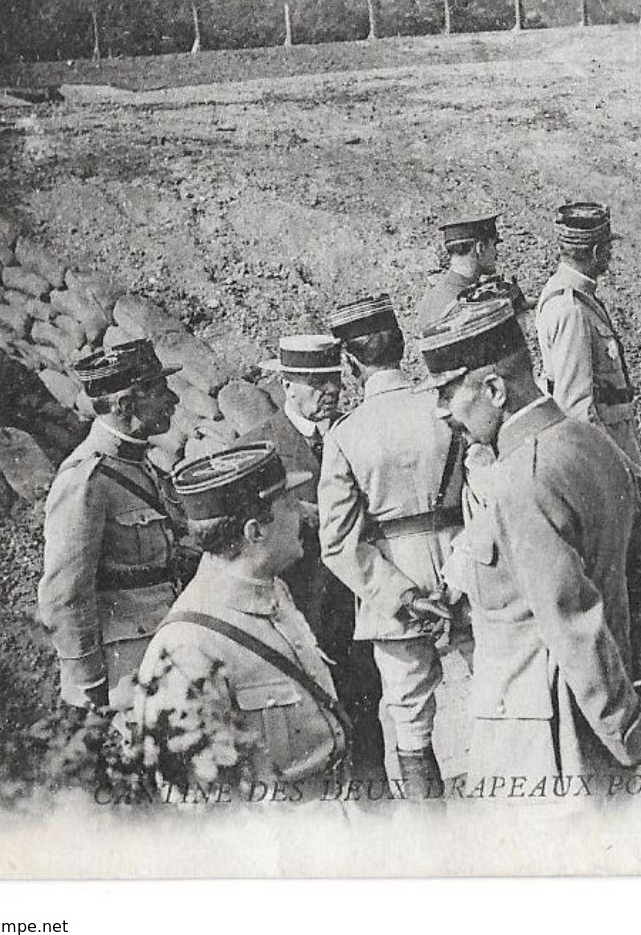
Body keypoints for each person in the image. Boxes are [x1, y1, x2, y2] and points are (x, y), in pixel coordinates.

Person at [420, 297, 641, 784]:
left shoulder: (519, 480)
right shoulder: (593, 442)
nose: (441, 413)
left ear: (495, 389)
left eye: (448, 393)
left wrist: (629, 733)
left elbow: (572, 624)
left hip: (549, 748)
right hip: (601, 722)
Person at [136, 443, 347, 786]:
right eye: (291, 505)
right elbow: (201, 807)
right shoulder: (187, 651)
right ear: (255, 532)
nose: (308, 513)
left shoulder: (271, 587)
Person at [317, 294, 461, 793]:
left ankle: (430, 843)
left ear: (351, 364)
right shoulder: (447, 405)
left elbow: (336, 542)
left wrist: (402, 595)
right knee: (501, 690)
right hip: (468, 567)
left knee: (409, 715)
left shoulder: (344, 436)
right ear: (401, 346)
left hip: (394, 589)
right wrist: (459, 568)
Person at [242, 334, 384, 776]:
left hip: (357, 606)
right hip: (304, 610)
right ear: (288, 386)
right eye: (318, 385)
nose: (332, 393)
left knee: (369, 723)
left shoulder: (354, 432)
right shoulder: (259, 447)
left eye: (336, 383)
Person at [36, 339, 185, 710]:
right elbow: (64, 593)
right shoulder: (87, 479)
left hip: (165, 642)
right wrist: (91, 684)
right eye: (161, 390)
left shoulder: (138, 461)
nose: (174, 400)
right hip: (126, 670)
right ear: (126, 405)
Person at [534, 202, 641, 480]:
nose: (610, 255)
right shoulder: (570, 309)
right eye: (607, 248)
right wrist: (626, 470)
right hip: (602, 465)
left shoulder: (573, 297)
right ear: (596, 252)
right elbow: (577, 408)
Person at [416, 209, 528, 332]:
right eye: (494, 246)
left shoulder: (430, 298)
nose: (497, 253)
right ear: (480, 248)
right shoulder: (468, 306)